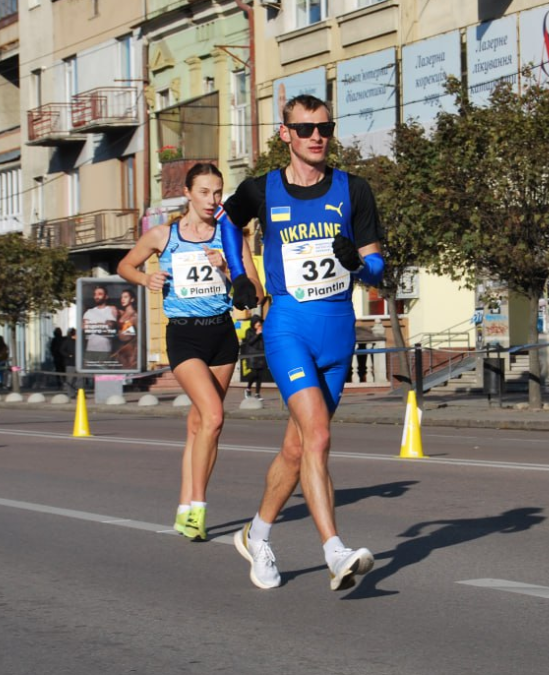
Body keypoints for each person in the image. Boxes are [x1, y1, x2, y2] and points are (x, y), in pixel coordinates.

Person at [220, 94, 385, 591]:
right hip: (288, 325)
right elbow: (229, 221)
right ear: (286, 134)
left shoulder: (354, 191)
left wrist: (356, 262)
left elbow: (377, 268)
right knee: (318, 437)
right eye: (306, 128)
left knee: (296, 450)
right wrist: (239, 274)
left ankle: (257, 535)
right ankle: (335, 551)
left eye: (325, 128)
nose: (317, 136)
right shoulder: (261, 189)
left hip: (338, 331)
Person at [117, 162, 258, 542]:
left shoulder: (230, 236)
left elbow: (253, 293)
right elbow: (125, 265)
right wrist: (146, 277)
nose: (213, 200)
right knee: (213, 416)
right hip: (184, 336)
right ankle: (197, 507)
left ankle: (184, 506)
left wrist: (229, 270)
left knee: (201, 425)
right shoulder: (163, 235)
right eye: (205, 192)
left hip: (222, 336)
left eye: (218, 192)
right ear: (188, 193)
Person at [82, 285, 119, 368]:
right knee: (89, 378)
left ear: (106, 297)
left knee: (103, 377)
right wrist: (102, 325)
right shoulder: (89, 312)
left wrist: (92, 326)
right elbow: (85, 329)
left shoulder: (111, 310)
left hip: (105, 350)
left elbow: (109, 330)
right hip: (90, 350)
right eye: (95, 294)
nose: (97, 296)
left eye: (100, 294)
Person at [240, 315, 266, 399]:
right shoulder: (249, 331)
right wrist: (257, 334)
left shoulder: (263, 331)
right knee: (254, 373)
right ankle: (248, 389)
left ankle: (257, 393)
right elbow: (250, 342)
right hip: (252, 355)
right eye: (257, 323)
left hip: (261, 354)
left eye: (260, 323)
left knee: (260, 375)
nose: (259, 324)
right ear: (253, 323)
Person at [113, 289, 139, 370]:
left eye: (126, 297)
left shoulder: (135, 315)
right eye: (121, 297)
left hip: (129, 350)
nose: (123, 299)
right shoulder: (121, 313)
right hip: (119, 349)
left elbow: (139, 334)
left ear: (132, 299)